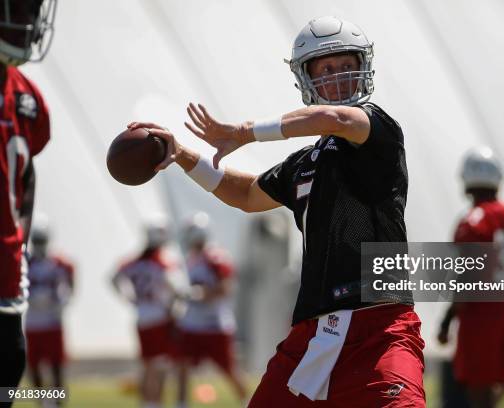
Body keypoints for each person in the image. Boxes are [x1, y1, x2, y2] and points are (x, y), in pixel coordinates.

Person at [129, 15, 425, 408]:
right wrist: (181, 155)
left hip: (381, 326)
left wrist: (245, 131)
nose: (337, 77)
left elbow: (334, 118)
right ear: (307, 78)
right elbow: (247, 194)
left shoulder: (377, 127)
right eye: (327, 68)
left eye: (346, 66)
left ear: (363, 70)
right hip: (314, 333)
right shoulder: (305, 162)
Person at [437, 147, 504, 407]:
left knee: (478, 387)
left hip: (480, 314)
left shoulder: (473, 221)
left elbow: (467, 277)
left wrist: (447, 320)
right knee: (492, 385)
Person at [0, 0, 56, 403]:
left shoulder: (27, 98)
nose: (28, 22)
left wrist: (17, 249)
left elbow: (24, 180)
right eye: (17, 9)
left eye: (32, 10)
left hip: (6, 283)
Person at [174, 212, 247, 407]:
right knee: (181, 367)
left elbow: (226, 287)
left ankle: (248, 402)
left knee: (230, 371)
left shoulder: (215, 257)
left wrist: (200, 294)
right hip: (192, 323)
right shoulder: (191, 259)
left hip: (215, 324)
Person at [111, 219, 179, 408]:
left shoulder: (133, 262)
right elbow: (175, 289)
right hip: (159, 318)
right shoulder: (162, 262)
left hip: (142, 317)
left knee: (148, 364)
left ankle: (147, 403)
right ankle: (153, 403)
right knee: (159, 366)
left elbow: (114, 278)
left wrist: (130, 299)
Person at [24, 217, 74, 407]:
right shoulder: (26, 262)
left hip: (53, 320)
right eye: (37, 241)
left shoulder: (60, 263)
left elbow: (71, 281)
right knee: (34, 366)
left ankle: (57, 402)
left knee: (57, 366)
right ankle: (43, 401)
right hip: (34, 321)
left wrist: (65, 300)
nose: (39, 245)